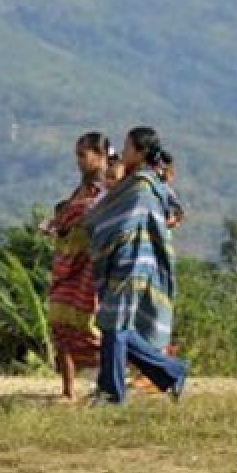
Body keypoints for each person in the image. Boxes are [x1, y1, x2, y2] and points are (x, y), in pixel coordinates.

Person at [85, 126, 188, 405]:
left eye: (128, 147)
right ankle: (172, 371)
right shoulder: (143, 182)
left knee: (114, 326)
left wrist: (95, 224)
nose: (124, 151)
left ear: (140, 152)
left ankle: (112, 393)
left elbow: (120, 222)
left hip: (132, 262)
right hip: (126, 261)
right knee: (114, 325)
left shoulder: (141, 185)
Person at [45, 132, 110, 400]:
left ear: (100, 155)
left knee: (92, 328)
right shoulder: (80, 189)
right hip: (69, 267)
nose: (79, 161)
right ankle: (68, 390)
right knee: (61, 326)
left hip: (92, 267)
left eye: (83, 155)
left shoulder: (108, 187)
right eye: (78, 156)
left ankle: (113, 380)